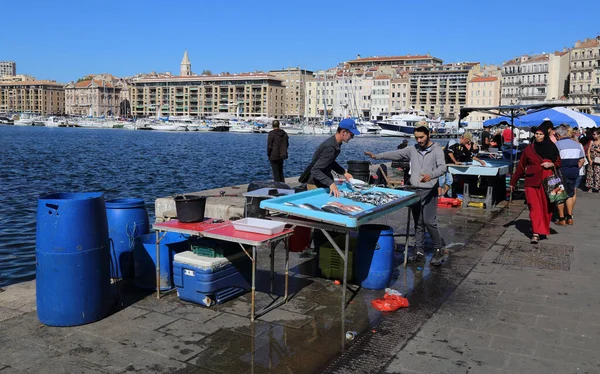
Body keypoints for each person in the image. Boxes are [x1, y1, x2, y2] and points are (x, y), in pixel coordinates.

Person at [365, 126, 447, 265]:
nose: (419, 140)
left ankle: (438, 250)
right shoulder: (413, 149)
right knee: (418, 223)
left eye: (422, 137)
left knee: (429, 222)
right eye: (417, 138)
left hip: (429, 190)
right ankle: (419, 251)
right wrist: (377, 156)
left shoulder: (437, 150)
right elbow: (396, 154)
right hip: (415, 190)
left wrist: (431, 176)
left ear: (428, 135)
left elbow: (443, 167)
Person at [510, 126, 561, 244]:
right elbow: (521, 167)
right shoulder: (529, 149)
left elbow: (559, 162)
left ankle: (541, 227)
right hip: (531, 182)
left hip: (548, 181)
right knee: (534, 206)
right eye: (536, 134)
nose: (538, 136)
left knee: (546, 206)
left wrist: (551, 164)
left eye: (540, 134)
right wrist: (513, 182)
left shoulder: (552, 148)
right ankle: (536, 232)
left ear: (545, 136)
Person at [307, 118, 359, 197]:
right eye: (351, 135)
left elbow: (329, 161)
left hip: (322, 182)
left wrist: (343, 172)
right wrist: (331, 183)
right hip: (315, 184)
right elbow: (315, 170)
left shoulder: (335, 143)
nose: (352, 137)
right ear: (343, 132)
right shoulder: (330, 147)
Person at [554, 125, 585, 225]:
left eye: (556, 135)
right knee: (570, 195)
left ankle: (562, 219)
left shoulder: (556, 145)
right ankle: (570, 217)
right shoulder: (577, 144)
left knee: (560, 195)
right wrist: (576, 168)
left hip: (561, 173)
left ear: (558, 135)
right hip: (573, 172)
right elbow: (582, 160)